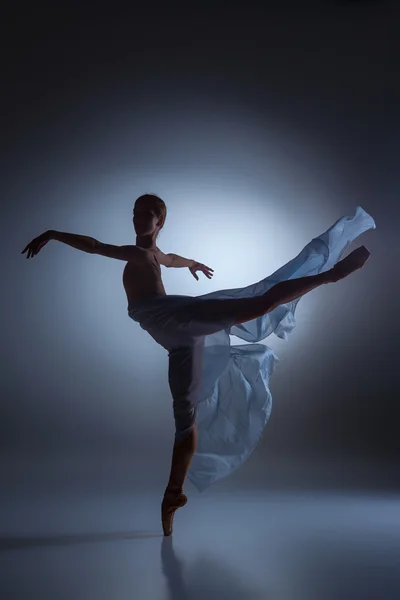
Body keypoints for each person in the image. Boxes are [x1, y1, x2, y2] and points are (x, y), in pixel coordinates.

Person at [22, 194, 375, 536]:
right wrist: (190, 263)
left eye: (145, 212)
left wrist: (54, 234)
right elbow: (118, 249)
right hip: (175, 338)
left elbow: (113, 248)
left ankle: (329, 275)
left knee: (261, 301)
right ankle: (173, 494)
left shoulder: (147, 253)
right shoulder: (144, 253)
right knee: (184, 419)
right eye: (134, 211)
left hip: (178, 317)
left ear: (159, 222)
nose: (136, 217)